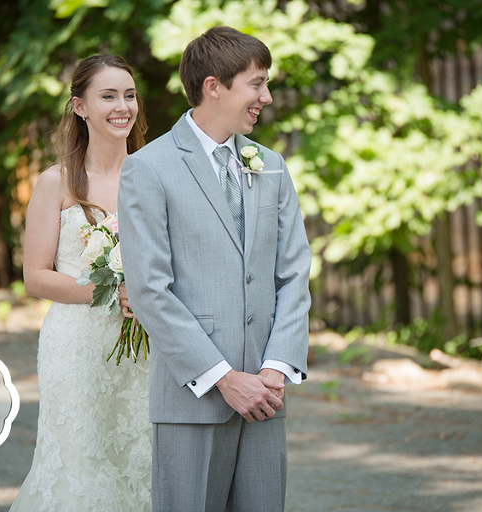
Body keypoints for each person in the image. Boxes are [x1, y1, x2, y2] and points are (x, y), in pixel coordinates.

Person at [118, 26, 311, 512]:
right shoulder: (150, 167)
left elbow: (294, 272)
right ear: (213, 86)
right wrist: (224, 378)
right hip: (193, 399)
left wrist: (274, 368)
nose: (266, 97)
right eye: (257, 83)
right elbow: (149, 290)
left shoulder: (271, 165)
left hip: (265, 400)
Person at [10, 54, 151, 512]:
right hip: (75, 346)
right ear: (79, 107)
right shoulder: (57, 182)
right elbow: (36, 276)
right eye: (108, 95)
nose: (122, 106)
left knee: (140, 459)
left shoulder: (154, 177)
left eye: (129, 95)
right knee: (79, 466)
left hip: (146, 346)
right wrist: (112, 287)